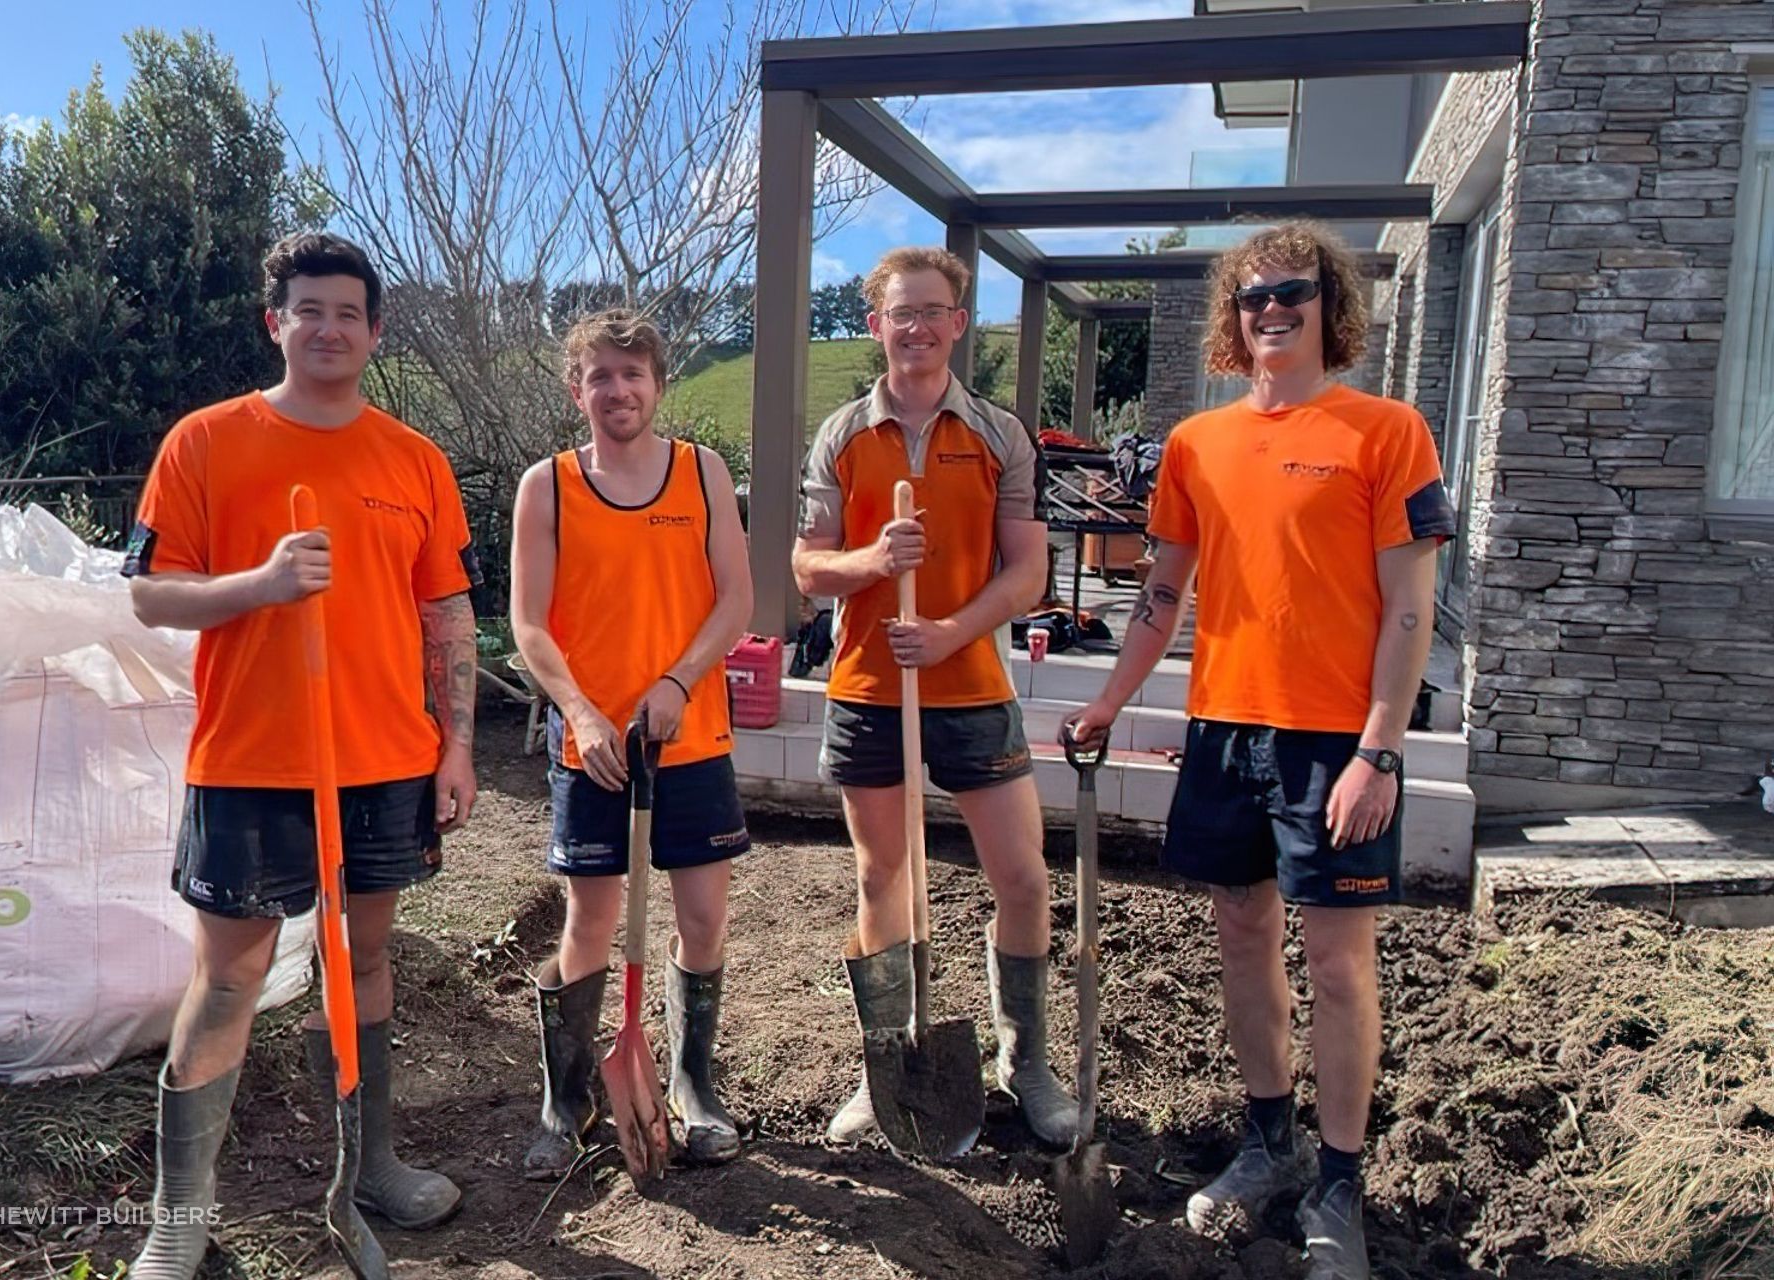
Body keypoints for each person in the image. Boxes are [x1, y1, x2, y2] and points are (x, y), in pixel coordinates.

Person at [1067, 221, 1453, 1280]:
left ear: (1333, 307)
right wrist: (1107, 698)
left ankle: (1338, 1179)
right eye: (1251, 296)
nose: (1271, 309)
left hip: (1337, 740)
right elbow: (1159, 592)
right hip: (1227, 729)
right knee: (1242, 930)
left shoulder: (1388, 431)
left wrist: (1379, 747)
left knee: (1337, 960)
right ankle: (1268, 1140)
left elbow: (1411, 607)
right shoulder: (1198, 444)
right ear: (1233, 319)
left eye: (1293, 291)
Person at [122, 232, 481, 1278]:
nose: (329, 328)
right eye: (307, 309)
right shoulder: (206, 441)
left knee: (362, 957)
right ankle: (177, 1224)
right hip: (248, 758)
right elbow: (149, 593)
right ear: (273, 320)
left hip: (384, 761)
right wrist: (260, 585)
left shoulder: (413, 459)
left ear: (375, 330)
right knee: (229, 975)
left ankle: (371, 1166)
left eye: (348, 312)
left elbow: (447, 610)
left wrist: (453, 744)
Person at [793, 246, 1078, 1149]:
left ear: (959, 323)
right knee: (887, 878)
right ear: (874, 325)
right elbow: (807, 566)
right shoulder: (842, 435)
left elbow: (1028, 571)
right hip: (870, 689)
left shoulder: (999, 435)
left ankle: (1023, 1058)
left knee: (1024, 878)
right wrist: (873, 564)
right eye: (897, 312)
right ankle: (893, 1061)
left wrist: (954, 631)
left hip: (973, 685)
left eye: (932, 311)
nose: (914, 327)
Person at [509, 309, 753, 1178]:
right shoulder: (548, 485)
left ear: (659, 382)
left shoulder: (702, 473)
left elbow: (737, 600)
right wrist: (578, 710)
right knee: (590, 924)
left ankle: (694, 1087)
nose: (618, 390)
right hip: (597, 746)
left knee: (702, 917)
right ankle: (564, 1101)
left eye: (633, 373)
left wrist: (680, 680)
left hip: (690, 741)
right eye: (600, 376)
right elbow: (529, 624)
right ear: (576, 390)